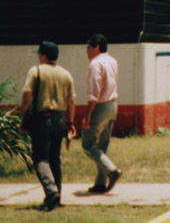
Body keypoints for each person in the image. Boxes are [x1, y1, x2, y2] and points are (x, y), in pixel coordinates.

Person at [17, 40, 75, 212]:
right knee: (55, 159)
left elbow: (27, 96)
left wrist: (23, 118)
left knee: (40, 159)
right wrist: (70, 123)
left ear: (43, 55)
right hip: (59, 119)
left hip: (42, 119)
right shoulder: (66, 74)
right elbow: (71, 101)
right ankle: (57, 195)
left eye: (39, 54)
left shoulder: (36, 71)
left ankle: (51, 192)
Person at [82, 33, 121, 193]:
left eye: (89, 48)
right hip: (113, 105)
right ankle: (100, 183)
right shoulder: (112, 61)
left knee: (88, 145)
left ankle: (112, 171)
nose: (87, 51)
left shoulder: (95, 64)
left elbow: (94, 92)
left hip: (100, 106)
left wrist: (87, 114)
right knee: (102, 146)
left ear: (96, 47)